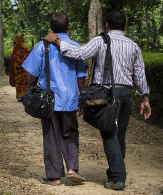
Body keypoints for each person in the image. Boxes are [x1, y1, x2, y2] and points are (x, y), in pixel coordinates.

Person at [44, 11, 152, 190]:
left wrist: (56, 41)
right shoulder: (134, 46)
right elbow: (140, 75)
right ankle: (115, 172)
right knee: (119, 135)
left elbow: (79, 54)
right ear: (124, 27)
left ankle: (118, 177)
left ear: (107, 26)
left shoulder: (101, 41)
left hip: (109, 96)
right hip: (126, 96)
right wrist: (145, 98)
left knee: (109, 134)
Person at [22, 12, 87, 186]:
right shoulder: (74, 47)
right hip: (70, 98)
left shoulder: (42, 46)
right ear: (69, 26)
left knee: (50, 136)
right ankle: (72, 169)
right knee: (70, 133)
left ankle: (54, 177)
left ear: (51, 27)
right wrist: (83, 99)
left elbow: (31, 74)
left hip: (47, 100)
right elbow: (81, 77)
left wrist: (30, 91)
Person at [9, 34, 31, 101]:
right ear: (19, 39)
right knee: (23, 82)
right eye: (22, 38)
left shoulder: (15, 47)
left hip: (17, 69)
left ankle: (20, 97)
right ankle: (23, 96)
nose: (23, 39)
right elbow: (29, 54)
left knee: (20, 83)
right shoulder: (22, 47)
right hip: (22, 69)